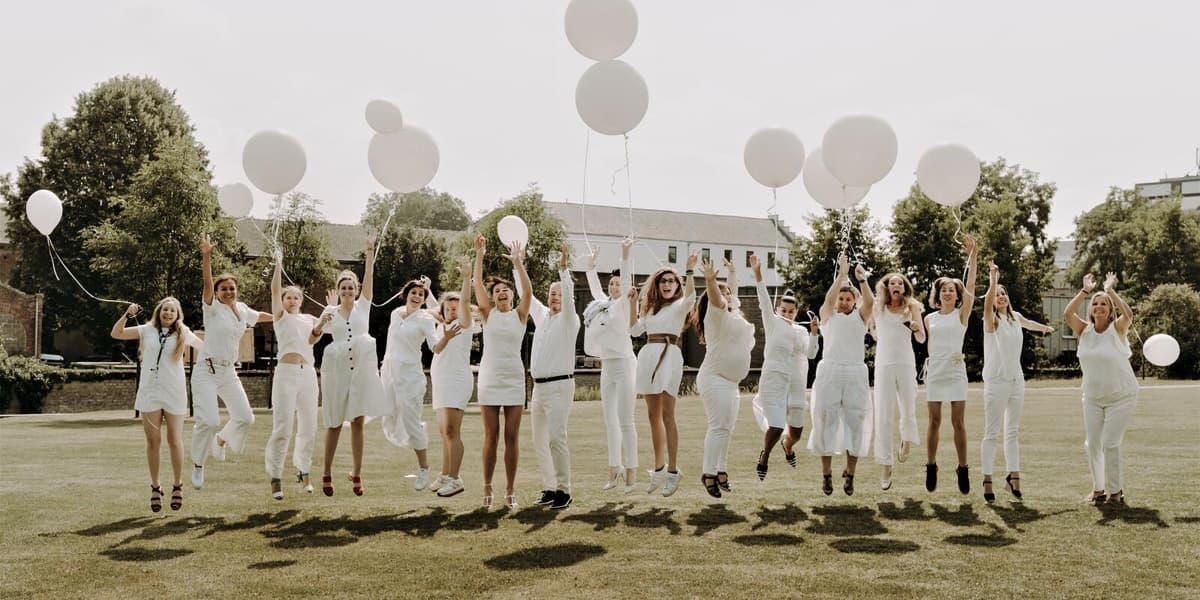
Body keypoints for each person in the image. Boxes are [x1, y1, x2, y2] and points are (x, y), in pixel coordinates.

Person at [190, 233, 273, 490]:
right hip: (206, 370)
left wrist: (284, 316)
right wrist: (206, 256)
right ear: (217, 292)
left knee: (246, 418)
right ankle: (198, 465)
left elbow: (260, 316)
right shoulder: (212, 308)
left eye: (232, 288)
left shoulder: (243, 309)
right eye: (224, 289)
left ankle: (220, 441)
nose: (228, 292)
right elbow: (206, 282)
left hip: (228, 372)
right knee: (210, 420)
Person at [111, 298, 203, 511]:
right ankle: (155, 486)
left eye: (172, 310)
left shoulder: (183, 332)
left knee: (174, 440)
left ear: (177, 314)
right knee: (153, 441)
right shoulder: (147, 330)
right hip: (150, 392)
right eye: (165, 310)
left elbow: (204, 348)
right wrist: (127, 314)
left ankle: (178, 485)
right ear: (159, 312)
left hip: (174, 391)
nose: (168, 313)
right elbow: (117, 333)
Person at [315, 233, 388, 497]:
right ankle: (326, 471)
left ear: (356, 290)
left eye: (351, 287)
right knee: (334, 422)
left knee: (357, 421)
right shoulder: (330, 312)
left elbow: (369, 277)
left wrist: (369, 250)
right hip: (336, 371)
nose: (347, 291)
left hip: (360, 369)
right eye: (343, 287)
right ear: (338, 289)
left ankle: (356, 473)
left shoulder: (363, 306)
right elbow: (312, 337)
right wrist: (322, 321)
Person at [980, 261, 1054, 503]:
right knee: (992, 432)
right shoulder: (991, 320)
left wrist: (1044, 328)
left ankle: (1014, 476)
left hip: (1016, 380)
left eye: (1003, 293)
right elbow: (987, 305)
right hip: (996, 381)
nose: (1000, 297)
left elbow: (1028, 323)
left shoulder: (1015, 317)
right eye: (997, 295)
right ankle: (987, 478)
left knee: (1012, 431)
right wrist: (993, 281)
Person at [1064, 272, 1139, 505]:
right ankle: (1098, 490)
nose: (1099, 307)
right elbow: (1067, 314)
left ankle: (1116, 492)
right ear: (1090, 309)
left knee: (1110, 443)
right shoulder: (1083, 330)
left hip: (1122, 396)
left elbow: (1129, 314)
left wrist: (1110, 291)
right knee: (1092, 444)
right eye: (1095, 304)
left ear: (1109, 309)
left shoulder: (1117, 328)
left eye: (1103, 304)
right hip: (1093, 397)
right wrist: (1085, 291)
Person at [632, 251, 699, 497]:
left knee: (668, 415)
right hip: (649, 356)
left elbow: (691, 296)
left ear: (677, 285)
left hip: (669, 357)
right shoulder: (649, 309)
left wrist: (689, 270)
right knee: (652, 416)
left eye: (672, 281)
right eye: (664, 281)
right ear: (657, 285)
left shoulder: (680, 306)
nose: (668, 284)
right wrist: (633, 304)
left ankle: (673, 470)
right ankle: (659, 468)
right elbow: (633, 330)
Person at [473, 235, 533, 509]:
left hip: (513, 380)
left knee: (511, 437)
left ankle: (509, 490)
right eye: (496, 291)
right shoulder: (488, 314)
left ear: (511, 294)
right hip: (489, 379)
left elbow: (528, 292)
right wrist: (480, 256)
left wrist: (518, 263)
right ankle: (486, 488)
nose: (501, 293)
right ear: (493, 297)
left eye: (505, 290)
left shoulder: (520, 315)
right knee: (491, 436)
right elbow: (476, 284)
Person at [807, 253, 874, 496]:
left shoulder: (860, 317)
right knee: (825, 420)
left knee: (855, 422)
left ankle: (850, 474)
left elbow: (870, 304)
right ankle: (826, 475)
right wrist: (842, 277)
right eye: (841, 298)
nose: (844, 301)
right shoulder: (828, 317)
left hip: (855, 372)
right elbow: (827, 300)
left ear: (854, 302)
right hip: (831, 372)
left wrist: (862, 280)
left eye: (848, 298)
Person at [749, 254, 819, 480]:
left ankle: (788, 447)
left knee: (796, 432)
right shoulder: (772, 322)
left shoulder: (801, 330)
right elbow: (762, 299)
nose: (787, 314)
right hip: (774, 381)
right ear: (778, 310)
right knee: (777, 426)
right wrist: (758, 272)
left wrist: (815, 333)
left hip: (797, 383)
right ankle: (764, 457)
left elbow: (811, 353)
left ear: (796, 312)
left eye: (791, 311)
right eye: (784, 310)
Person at [692, 258, 756, 498]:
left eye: (729, 293)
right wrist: (710, 280)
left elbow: (731, 295)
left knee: (727, 429)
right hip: (714, 378)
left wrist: (732, 273)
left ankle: (721, 470)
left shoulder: (734, 315)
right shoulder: (715, 315)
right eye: (722, 293)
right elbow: (718, 297)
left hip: (731, 382)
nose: (727, 295)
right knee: (718, 427)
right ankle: (708, 473)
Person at [264, 249, 324, 500]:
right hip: (286, 374)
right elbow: (274, 291)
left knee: (309, 426)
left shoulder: (310, 319)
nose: (291, 300)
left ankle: (303, 470)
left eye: (296, 297)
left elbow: (319, 335)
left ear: (301, 300)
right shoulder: (280, 317)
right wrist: (279, 264)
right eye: (288, 297)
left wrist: (323, 322)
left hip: (308, 374)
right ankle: (276, 477)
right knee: (283, 427)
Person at [528, 243, 582, 510]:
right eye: (551, 293)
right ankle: (549, 488)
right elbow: (526, 294)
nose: (555, 296)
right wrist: (517, 263)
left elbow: (569, 300)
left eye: (560, 293)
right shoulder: (542, 317)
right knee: (539, 440)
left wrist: (563, 269)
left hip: (560, 385)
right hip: (538, 389)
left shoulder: (570, 320)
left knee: (556, 437)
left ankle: (564, 490)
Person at [923, 235, 977, 494]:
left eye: (951, 290)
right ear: (938, 294)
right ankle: (931, 465)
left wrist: (973, 256)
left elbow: (972, 285)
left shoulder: (962, 314)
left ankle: (963, 467)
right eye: (943, 289)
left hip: (956, 371)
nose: (947, 292)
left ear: (957, 295)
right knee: (934, 421)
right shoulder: (928, 318)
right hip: (935, 371)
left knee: (958, 422)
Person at [583, 238, 638, 493]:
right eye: (612, 283)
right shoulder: (602, 305)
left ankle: (631, 474)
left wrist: (624, 255)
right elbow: (595, 288)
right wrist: (591, 266)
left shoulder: (623, 304)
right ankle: (613, 469)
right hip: (608, 368)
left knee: (626, 420)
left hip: (625, 365)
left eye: (618, 283)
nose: (615, 286)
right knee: (610, 421)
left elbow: (626, 281)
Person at [380, 272, 440, 492]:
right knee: (389, 421)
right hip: (390, 372)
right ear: (405, 295)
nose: (417, 296)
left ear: (424, 299)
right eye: (413, 292)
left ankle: (424, 467)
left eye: (421, 294)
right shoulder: (396, 313)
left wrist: (430, 289)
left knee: (411, 423)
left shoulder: (426, 318)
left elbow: (434, 342)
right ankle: (418, 429)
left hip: (411, 377)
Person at [426, 255, 478, 498]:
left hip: (457, 380)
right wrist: (427, 291)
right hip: (441, 382)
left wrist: (467, 277)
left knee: (451, 430)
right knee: (443, 431)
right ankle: (446, 474)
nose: (452, 310)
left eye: (456, 307)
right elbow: (434, 309)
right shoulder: (440, 325)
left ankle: (456, 478)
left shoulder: (464, 323)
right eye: (448, 307)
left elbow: (465, 300)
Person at [871, 270, 925, 490]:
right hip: (883, 365)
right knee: (883, 415)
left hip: (905, 363)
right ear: (886, 287)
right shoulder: (878, 307)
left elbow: (922, 339)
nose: (896, 285)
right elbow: (859, 295)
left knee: (908, 407)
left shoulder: (912, 307)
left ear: (904, 288)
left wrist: (915, 327)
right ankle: (886, 465)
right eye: (892, 283)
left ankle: (907, 442)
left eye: (899, 283)